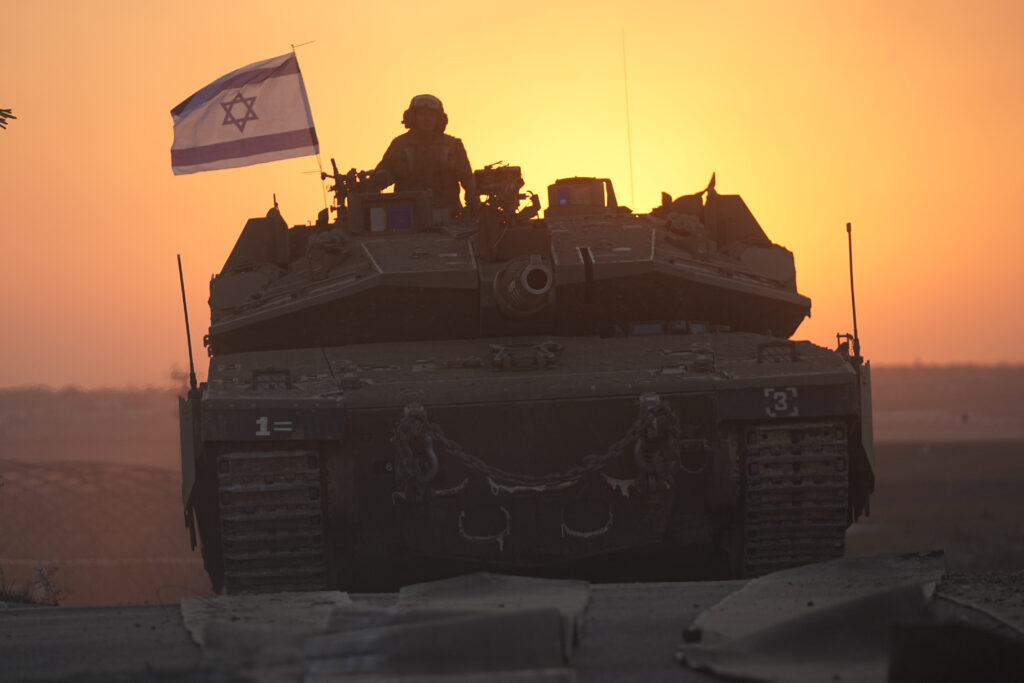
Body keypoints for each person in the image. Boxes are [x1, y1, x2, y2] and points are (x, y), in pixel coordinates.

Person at [371, 94, 477, 216]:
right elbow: (383, 174)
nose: (427, 119)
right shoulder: (400, 145)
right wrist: (377, 182)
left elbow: (467, 177)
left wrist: (472, 200)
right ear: (413, 117)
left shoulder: (453, 146)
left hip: (450, 216)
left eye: (431, 115)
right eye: (422, 114)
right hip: (407, 217)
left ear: (439, 119)